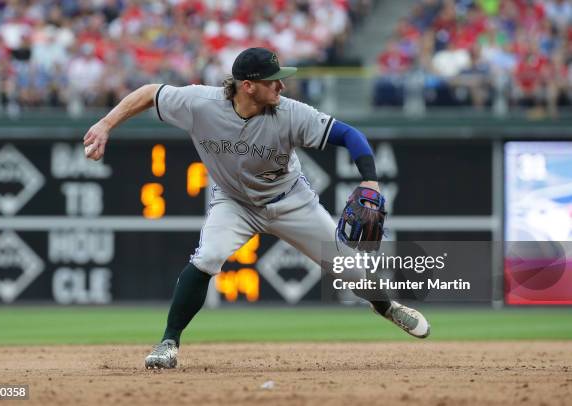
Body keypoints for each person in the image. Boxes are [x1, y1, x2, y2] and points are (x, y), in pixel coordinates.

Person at [83, 47, 431, 370]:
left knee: (350, 270)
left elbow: (350, 136)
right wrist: (104, 124)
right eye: (273, 79)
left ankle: (387, 306)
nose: (281, 84)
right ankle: (168, 342)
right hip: (234, 202)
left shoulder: (291, 112)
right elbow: (148, 93)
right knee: (207, 258)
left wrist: (369, 180)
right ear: (247, 86)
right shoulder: (200, 103)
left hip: (291, 201)